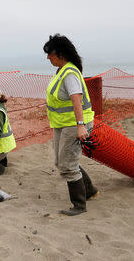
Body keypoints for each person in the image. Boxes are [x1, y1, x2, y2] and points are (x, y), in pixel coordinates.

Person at [43, 34, 99, 216]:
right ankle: (90, 191)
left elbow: (77, 99)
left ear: (60, 54)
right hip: (62, 124)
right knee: (61, 162)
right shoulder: (62, 71)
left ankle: (79, 205)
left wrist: (81, 125)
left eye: (50, 54)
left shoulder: (70, 73)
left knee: (68, 164)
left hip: (74, 125)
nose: (48, 58)